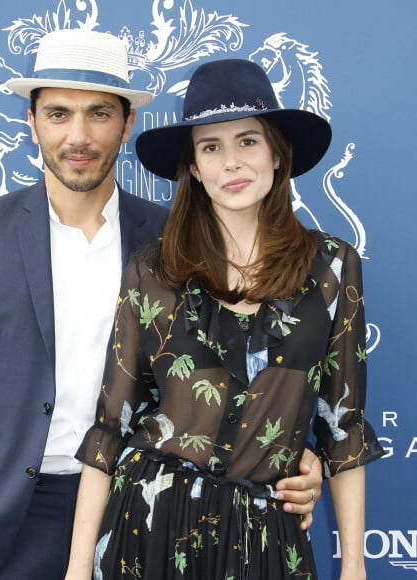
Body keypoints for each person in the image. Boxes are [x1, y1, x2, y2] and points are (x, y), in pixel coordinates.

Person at [0, 29, 322, 580]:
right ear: (32, 122)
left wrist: (299, 459)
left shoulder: (180, 241)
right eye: (59, 114)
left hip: (152, 512)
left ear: (127, 124)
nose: (79, 135)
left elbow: (242, 381)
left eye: (98, 113)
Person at [66, 59, 384, 580]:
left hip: (266, 539)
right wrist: (78, 570)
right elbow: (110, 427)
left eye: (248, 142)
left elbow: (342, 428)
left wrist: (354, 567)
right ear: (193, 166)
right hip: (149, 529)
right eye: (211, 147)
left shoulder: (332, 267)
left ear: (278, 154)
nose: (231, 163)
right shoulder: (152, 268)